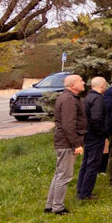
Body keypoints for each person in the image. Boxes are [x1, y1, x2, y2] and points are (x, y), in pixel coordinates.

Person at [44, 75, 87, 215]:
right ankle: (58, 207)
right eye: (80, 81)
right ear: (73, 85)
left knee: (59, 174)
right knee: (64, 176)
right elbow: (68, 125)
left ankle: (50, 206)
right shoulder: (69, 99)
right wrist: (76, 144)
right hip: (67, 143)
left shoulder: (70, 98)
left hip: (65, 142)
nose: (83, 82)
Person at [76, 76, 107, 200]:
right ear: (102, 86)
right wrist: (101, 133)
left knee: (86, 163)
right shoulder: (98, 99)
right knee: (93, 165)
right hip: (95, 136)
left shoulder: (88, 97)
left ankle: (80, 190)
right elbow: (96, 118)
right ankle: (86, 193)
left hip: (87, 134)